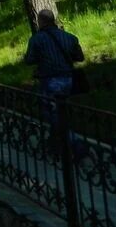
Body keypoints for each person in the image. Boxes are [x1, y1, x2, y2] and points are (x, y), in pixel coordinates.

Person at [24, 9, 85, 154]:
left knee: (53, 114)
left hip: (50, 81)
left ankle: (75, 144)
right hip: (68, 80)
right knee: (60, 111)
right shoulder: (70, 37)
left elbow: (29, 60)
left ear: (41, 21)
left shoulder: (37, 39)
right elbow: (80, 57)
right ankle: (55, 144)